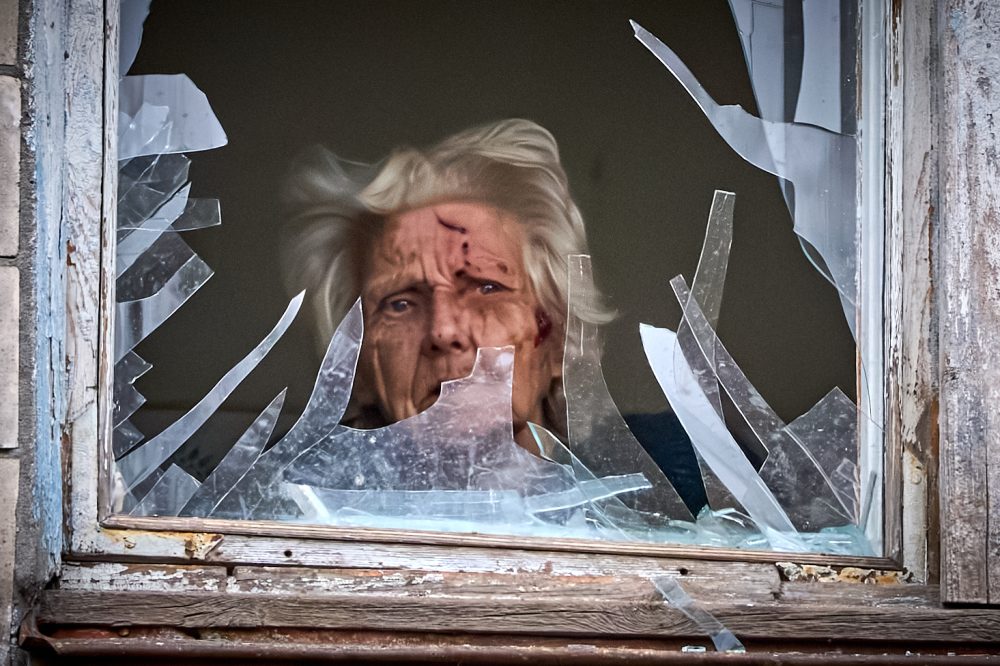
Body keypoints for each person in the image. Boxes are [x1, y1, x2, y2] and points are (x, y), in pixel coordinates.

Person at [281, 119, 612, 450]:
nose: (443, 330)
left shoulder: (641, 472)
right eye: (400, 304)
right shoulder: (281, 480)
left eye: (487, 288)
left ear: (555, 341)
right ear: (358, 370)